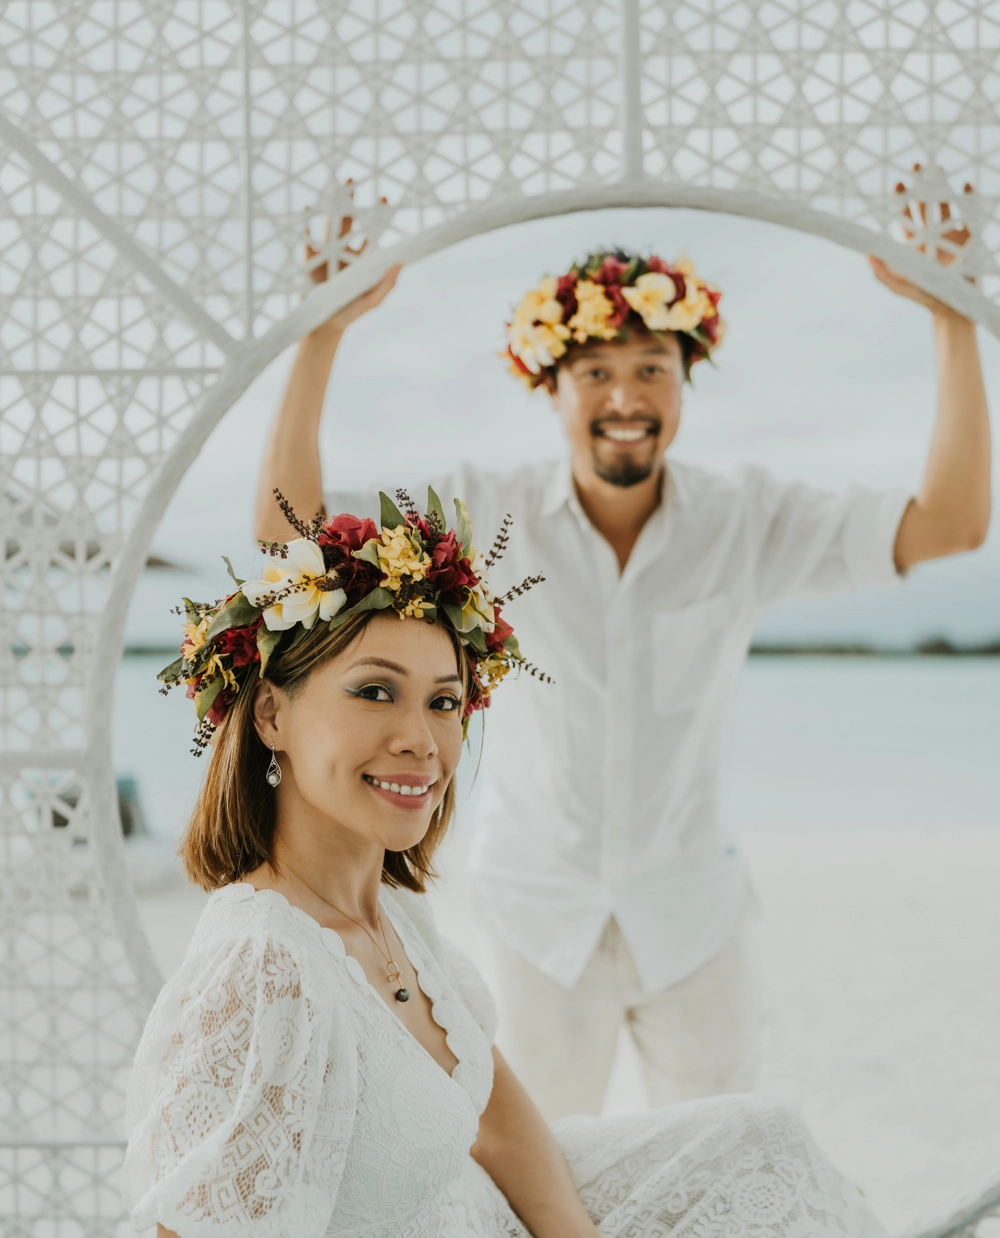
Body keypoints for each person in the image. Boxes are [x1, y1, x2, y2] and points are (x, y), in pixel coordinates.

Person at [125, 496, 1000, 1238]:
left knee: (768, 1139)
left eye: (445, 700)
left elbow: (486, 1093)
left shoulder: (386, 909)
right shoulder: (262, 976)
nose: (422, 739)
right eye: (376, 692)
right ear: (274, 712)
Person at [252, 210, 991, 1124]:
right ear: (551, 387)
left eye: (653, 369)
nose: (625, 396)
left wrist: (953, 318)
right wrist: (322, 333)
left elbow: (952, 524)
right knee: (528, 1184)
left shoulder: (746, 519)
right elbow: (287, 529)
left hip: (694, 916)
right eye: (595, 372)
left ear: (685, 384)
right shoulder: (485, 509)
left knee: (723, 1166)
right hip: (536, 918)